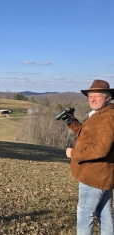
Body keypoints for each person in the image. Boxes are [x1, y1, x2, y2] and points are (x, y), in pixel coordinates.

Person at [65, 79, 114, 235]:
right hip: (103, 175)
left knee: (85, 213)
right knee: (105, 215)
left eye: (97, 96)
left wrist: (74, 154)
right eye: (90, 95)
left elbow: (100, 149)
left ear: (108, 97)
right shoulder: (102, 114)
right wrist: (71, 121)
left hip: (94, 175)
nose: (92, 99)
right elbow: (88, 135)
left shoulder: (107, 117)